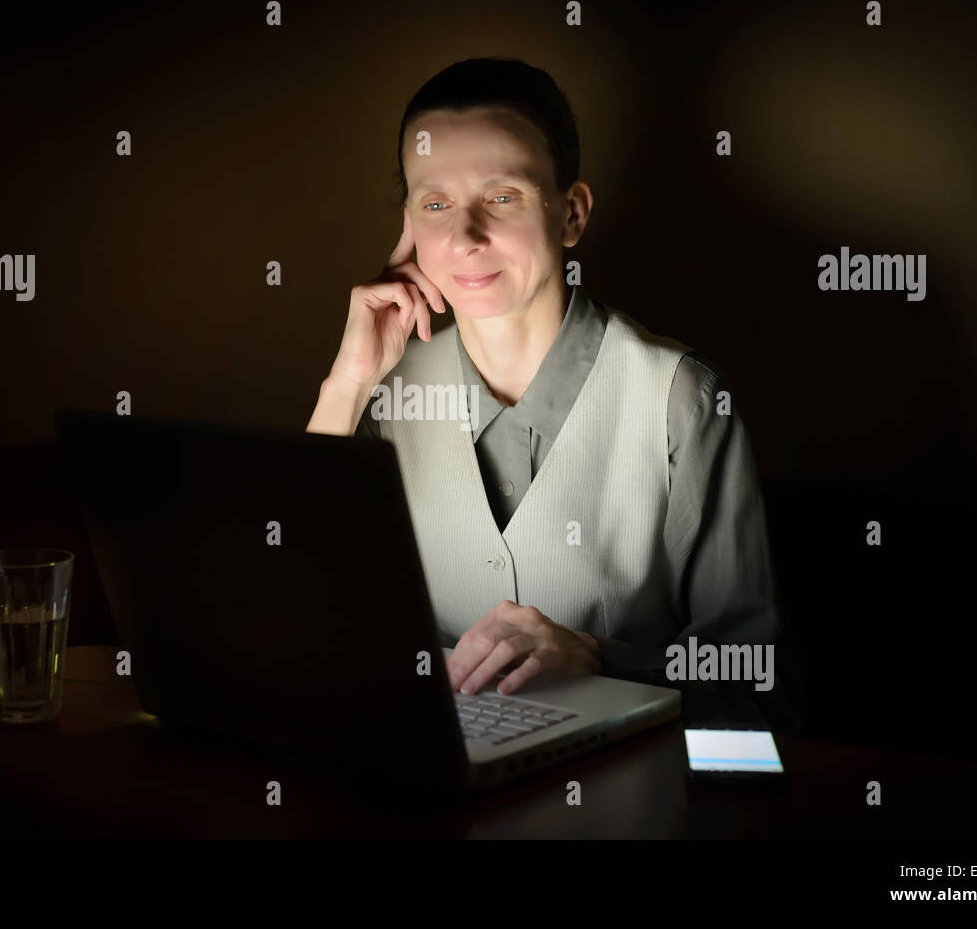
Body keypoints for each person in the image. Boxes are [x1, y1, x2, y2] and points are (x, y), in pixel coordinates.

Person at [307, 58, 801, 733]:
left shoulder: (680, 400)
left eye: (502, 196)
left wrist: (601, 658)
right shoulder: (382, 394)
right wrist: (348, 381)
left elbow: (755, 686)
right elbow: (285, 612)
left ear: (571, 214)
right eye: (435, 203)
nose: (464, 236)